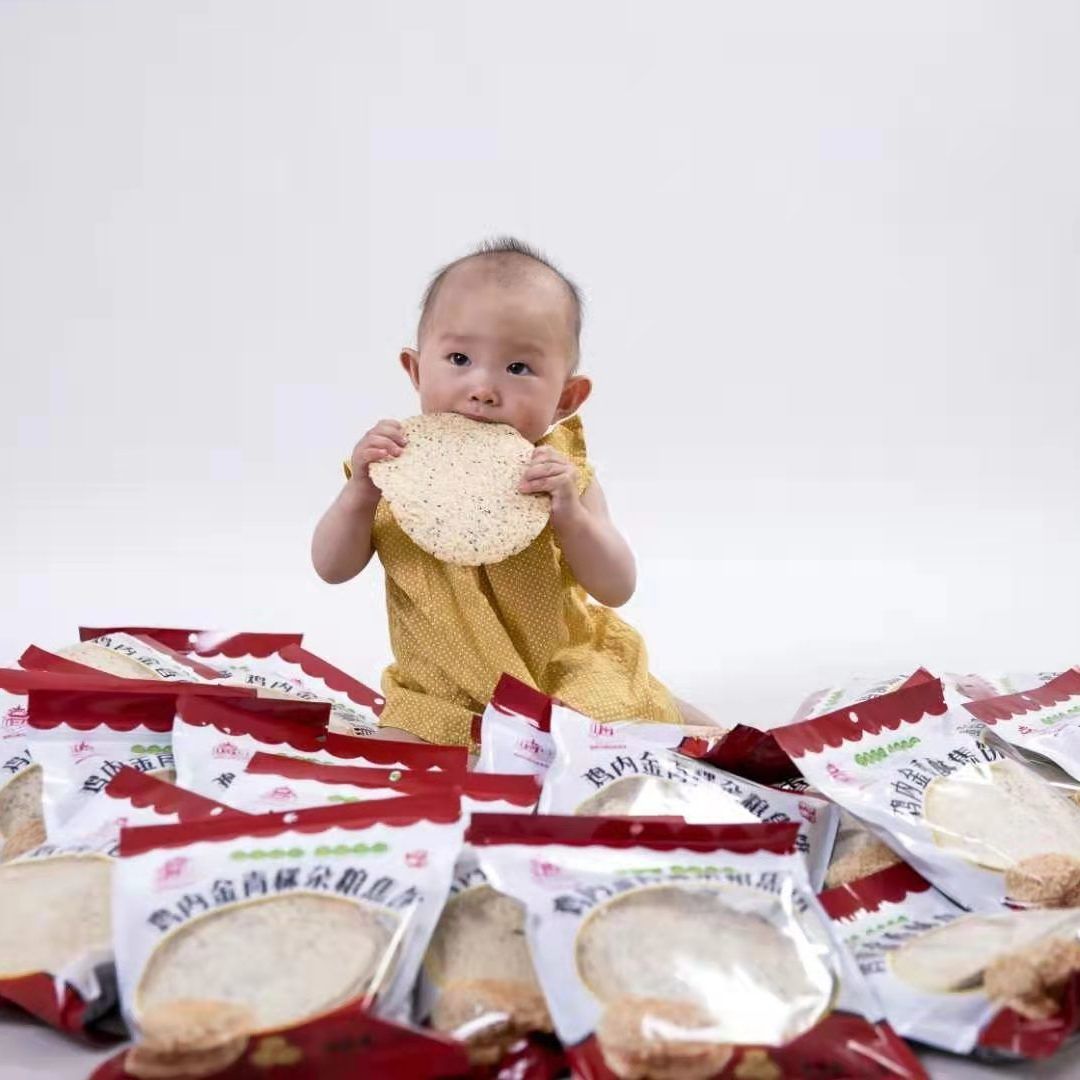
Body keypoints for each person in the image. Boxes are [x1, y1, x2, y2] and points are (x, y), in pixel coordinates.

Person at [312, 237, 706, 745]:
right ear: (415, 370)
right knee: (400, 759)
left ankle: (692, 724)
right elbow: (331, 567)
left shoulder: (562, 475)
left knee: (628, 726)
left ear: (567, 397)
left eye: (518, 368)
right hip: (442, 691)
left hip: (558, 678)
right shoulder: (391, 468)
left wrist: (572, 518)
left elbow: (617, 586)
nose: (483, 388)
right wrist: (359, 496)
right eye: (458, 357)